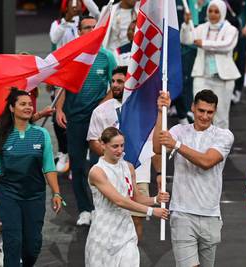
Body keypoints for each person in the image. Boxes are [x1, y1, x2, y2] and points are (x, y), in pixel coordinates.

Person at [154, 89, 234, 267]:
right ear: (192, 108)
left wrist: (176, 145)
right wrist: (161, 113)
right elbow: (158, 148)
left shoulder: (224, 136)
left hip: (211, 215)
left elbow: (206, 162)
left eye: (210, 112)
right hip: (182, 214)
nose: (205, 116)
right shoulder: (178, 130)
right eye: (201, 111)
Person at [0, 88, 63, 267]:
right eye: (23, 104)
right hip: (9, 196)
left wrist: (57, 193)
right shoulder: (0, 136)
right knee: (13, 243)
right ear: (12, 108)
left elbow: (49, 167)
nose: (28, 107)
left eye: (30, 104)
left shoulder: (41, 135)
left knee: (32, 247)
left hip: (34, 197)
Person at [56, 15, 117, 226]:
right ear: (79, 31)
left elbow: (117, 85)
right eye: (86, 27)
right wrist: (59, 109)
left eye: (94, 27)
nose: (91, 30)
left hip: (100, 122)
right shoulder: (73, 56)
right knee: (79, 166)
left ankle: (104, 207)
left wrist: (101, 107)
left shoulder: (107, 57)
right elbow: (65, 85)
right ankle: (85, 209)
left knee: (101, 163)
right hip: (76, 119)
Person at [86, 66, 158, 241]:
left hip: (139, 170)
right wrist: (112, 156)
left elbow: (153, 144)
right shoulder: (101, 111)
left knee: (136, 219)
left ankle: (130, 253)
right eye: (114, 81)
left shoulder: (146, 109)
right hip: (110, 172)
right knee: (112, 216)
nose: (116, 85)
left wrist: (160, 173)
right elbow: (93, 139)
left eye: (120, 81)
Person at [85, 127, 169, 267]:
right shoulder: (97, 172)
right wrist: (151, 211)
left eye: (122, 145)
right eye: (115, 146)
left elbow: (135, 197)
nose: (120, 150)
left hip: (126, 232)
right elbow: (119, 200)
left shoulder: (129, 167)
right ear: (103, 145)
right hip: (103, 233)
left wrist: (155, 200)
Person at [180, 0, 240, 129]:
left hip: (223, 79)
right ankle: (200, 145)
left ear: (223, 12)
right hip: (202, 76)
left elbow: (227, 45)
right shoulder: (202, 28)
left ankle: (221, 147)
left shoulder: (231, 30)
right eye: (211, 11)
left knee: (221, 117)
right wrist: (185, 24)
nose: (213, 14)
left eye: (216, 11)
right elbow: (186, 40)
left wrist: (204, 44)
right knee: (200, 114)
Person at [49, 0, 83, 173]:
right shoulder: (57, 24)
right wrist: (66, 20)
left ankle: (78, 153)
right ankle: (63, 151)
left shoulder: (84, 23)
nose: (75, 6)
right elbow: (54, 38)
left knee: (78, 110)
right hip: (62, 72)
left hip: (80, 71)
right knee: (58, 112)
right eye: (72, 3)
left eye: (78, 3)